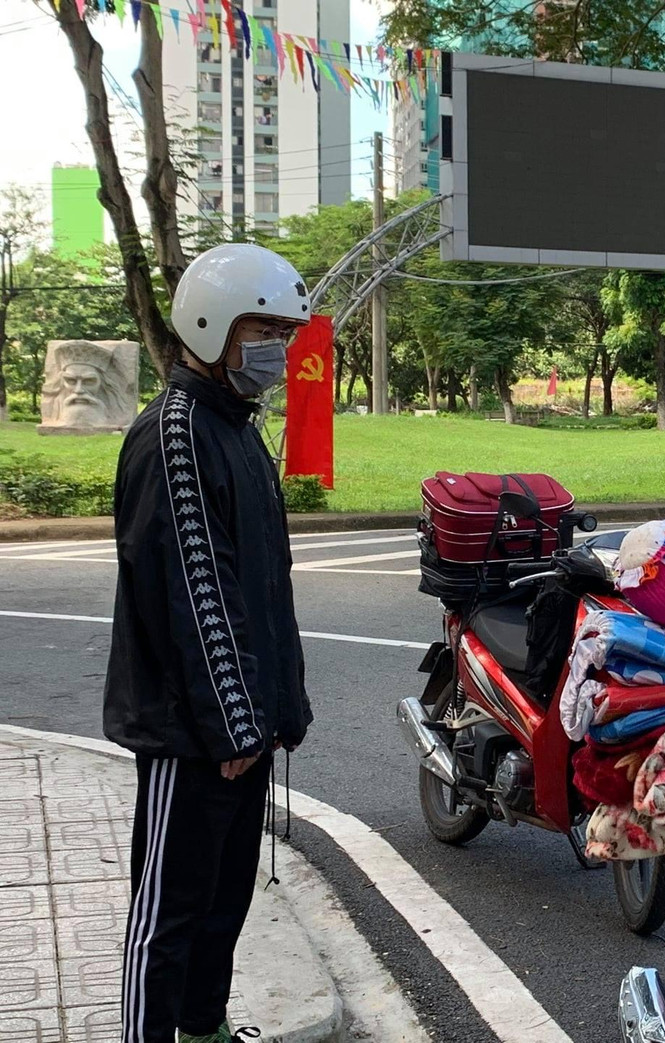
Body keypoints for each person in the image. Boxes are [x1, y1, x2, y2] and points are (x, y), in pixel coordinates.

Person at [103, 243, 315, 1043]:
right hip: (190, 731)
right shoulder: (177, 433)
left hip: (241, 725)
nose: (279, 350)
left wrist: (275, 709)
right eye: (265, 328)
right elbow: (195, 591)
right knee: (170, 912)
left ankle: (203, 1029)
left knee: (225, 900)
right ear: (213, 321)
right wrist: (232, 721)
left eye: (286, 334)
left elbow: (263, 586)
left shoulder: (233, 428)